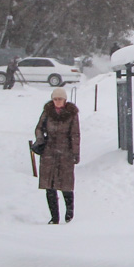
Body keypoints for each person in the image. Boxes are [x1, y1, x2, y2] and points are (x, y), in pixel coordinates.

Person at [35, 87, 80, 224]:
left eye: (59, 99)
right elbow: (38, 128)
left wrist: (75, 153)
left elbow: (75, 135)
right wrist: (41, 140)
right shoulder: (47, 112)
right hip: (49, 153)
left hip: (65, 153)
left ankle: (69, 212)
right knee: (50, 185)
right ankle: (54, 217)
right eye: (55, 99)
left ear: (65, 100)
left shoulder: (71, 114)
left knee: (66, 184)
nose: (57, 102)